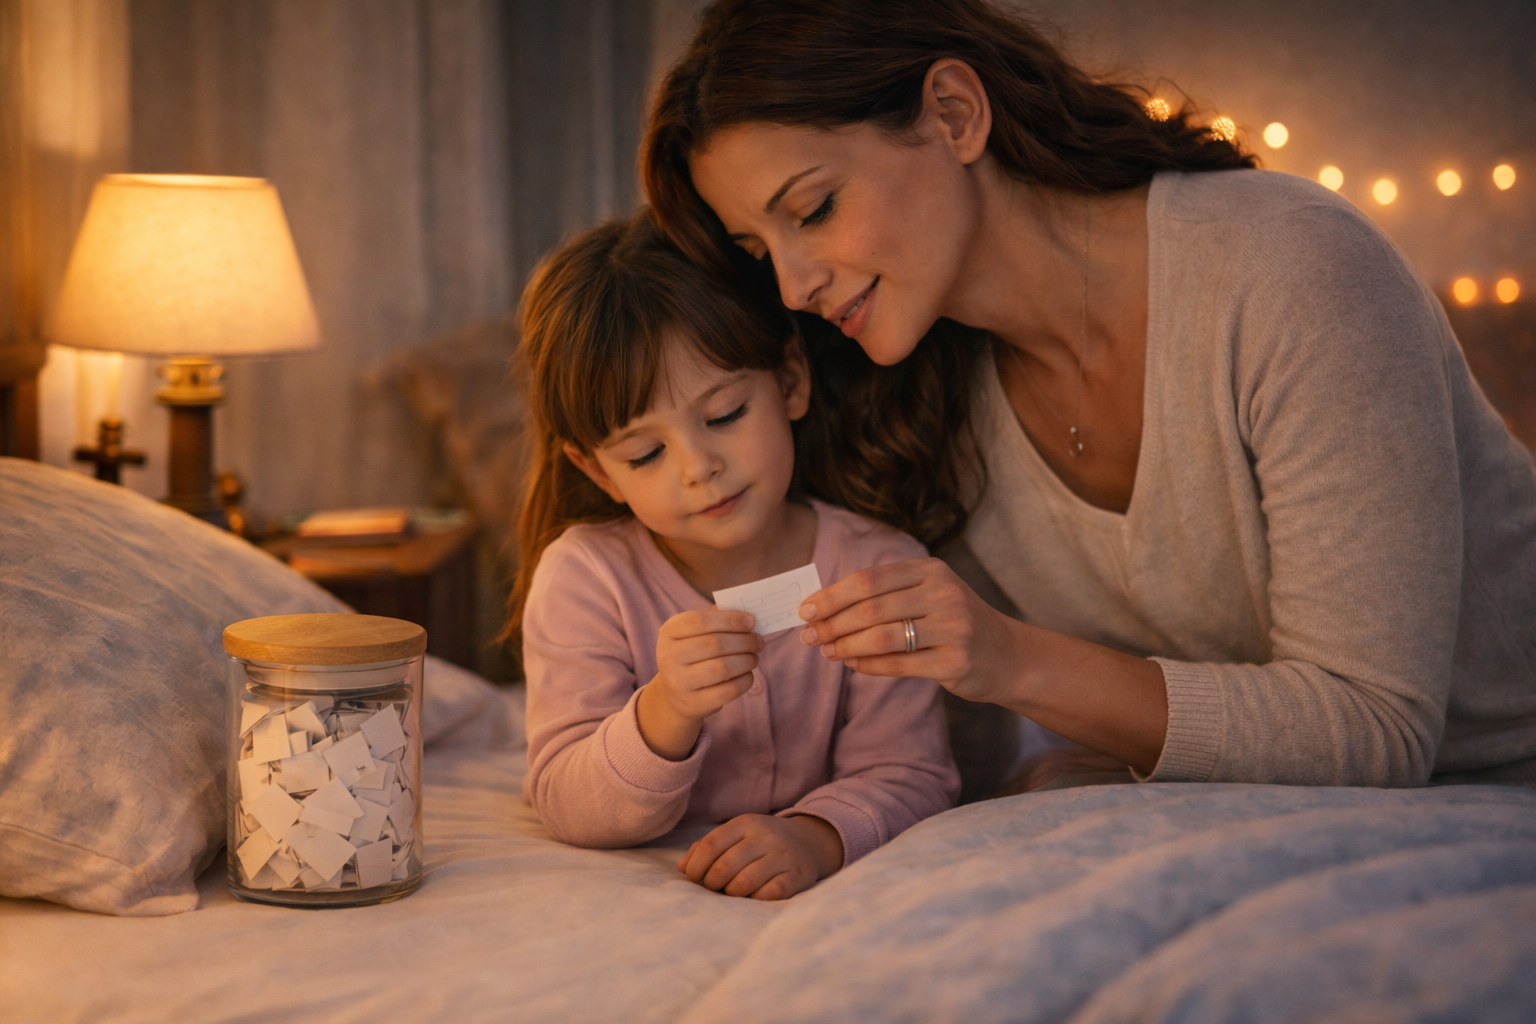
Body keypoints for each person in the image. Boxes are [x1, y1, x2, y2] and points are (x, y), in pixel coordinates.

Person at [641, 0, 1536, 790]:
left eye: (813, 210)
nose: (793, 286)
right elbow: (949, 753)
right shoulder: (918, 408)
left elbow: (1377, 729)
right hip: (1284, 815)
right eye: (759, 253)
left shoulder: (1292, 272)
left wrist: (1015, 660)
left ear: (953, 114)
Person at [510, 210, 959, 901]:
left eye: (724, 416)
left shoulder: (877, 570)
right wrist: (665, 710)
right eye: (646, 453)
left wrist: (816, 836)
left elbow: (913, 774)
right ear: (599, 472)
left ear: (790, 381)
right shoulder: (586, 579)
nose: (699, 468)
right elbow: (566, 800)